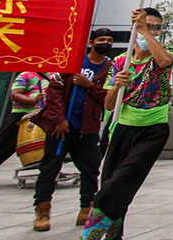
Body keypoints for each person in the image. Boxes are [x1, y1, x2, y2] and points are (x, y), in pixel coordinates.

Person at [81, 8, 173, 238]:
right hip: (122, 127)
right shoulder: (120, 62)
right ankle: (114, 235)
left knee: (124, 179)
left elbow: (164, 61)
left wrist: (145, 30)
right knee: (112, 181)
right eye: (147, 26)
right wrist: (116, 86)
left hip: (152, 129)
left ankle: (93, 228)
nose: (152, 31)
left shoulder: (163, 52)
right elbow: (109, 104)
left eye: (156, 27)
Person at [30, 29, 115, 231]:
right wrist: (58, 119)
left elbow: (107, 98)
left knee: (90, 168)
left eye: (110, 41)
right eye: (102, 40)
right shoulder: (72, 62)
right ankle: (42, 209)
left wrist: (89, 85)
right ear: (92, 41)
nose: (106, 43)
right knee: (49, 169)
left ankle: (87, 207)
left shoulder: (110, 68)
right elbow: (54, 91)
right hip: (62, 128)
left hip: (87, 128)